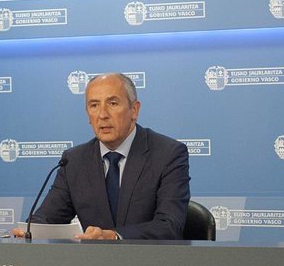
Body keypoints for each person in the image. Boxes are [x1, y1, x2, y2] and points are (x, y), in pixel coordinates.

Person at [15, 73, 190, 240]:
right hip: (92, 260)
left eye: (112, 103)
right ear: (88, 114)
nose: (102, 115)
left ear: (134, 110)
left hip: (150, 259)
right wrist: (30, 232)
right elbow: (47, 217)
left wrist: (114, 236)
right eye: (94, 105)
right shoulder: (74, 161)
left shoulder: (168, 154)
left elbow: (169, 225)